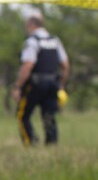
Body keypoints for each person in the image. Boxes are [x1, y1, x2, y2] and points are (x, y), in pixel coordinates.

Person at [11, 14, 70, 146]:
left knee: (22, 115)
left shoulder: (32, 41)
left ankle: (31, 143)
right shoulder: (55, 40)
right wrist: (61, 85)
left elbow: (28, 65)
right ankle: (52, 145)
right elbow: (65, 65)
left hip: (35, 85)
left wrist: (18, 87)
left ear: (31, 24)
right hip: (53, 84)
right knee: (49, 117)